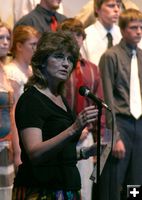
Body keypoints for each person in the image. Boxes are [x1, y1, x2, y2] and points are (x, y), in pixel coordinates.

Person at [12, 31, 99, 200]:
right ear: (42, 61)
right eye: (59, 57)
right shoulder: (31, 100)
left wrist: (84, 153)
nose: (66, 64)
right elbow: (35, 154)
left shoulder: (60, 98)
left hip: (66, 188)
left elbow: (57, 153)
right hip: (41, 191)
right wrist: (74, 128)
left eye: (69, 59)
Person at [57, 18, 105, 200]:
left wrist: (99, 140)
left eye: (78, 34)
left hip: (86, 135)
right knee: (62, 188)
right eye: (70, 35)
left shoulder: (92, 69)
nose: (75, 39)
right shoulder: (59, 68)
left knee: (85, 189)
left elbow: (98, 105)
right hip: (63, 134)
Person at [99, 8, 142, 200]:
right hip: (120, 123)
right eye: (134, 28)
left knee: (136, 183)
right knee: (113, 183)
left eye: (141, 27)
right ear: (123, 30)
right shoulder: (111, 56)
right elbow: (107, 100)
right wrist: (114, 136)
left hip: (139, 124)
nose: (139, 32)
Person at [4, 25, 40, 168]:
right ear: (19, 46)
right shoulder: (12, 72)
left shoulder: (31, 70)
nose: (36, 49)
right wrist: (18, 151)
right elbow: (14, 114)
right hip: (19, 135)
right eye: (32, 45)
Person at [81, 0, 122, 66]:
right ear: (97, 9)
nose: (116, 10)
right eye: (111, 6)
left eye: (119, 6)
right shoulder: (86, 36)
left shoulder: (123, 35)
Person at [0, 21, 15, 200]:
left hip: (6, 145)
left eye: (7, 38)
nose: (5, 42)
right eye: (0, 38)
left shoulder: (4, 70)